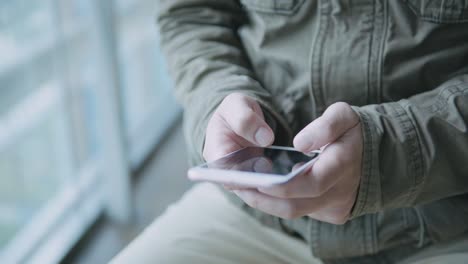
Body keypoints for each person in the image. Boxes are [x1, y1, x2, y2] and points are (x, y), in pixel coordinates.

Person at [112, 1, 468, 263]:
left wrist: (391, 152)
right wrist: (217, 98)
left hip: (446, 222)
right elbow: (191, 13)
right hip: (258, 217)